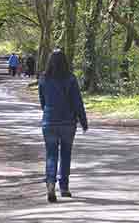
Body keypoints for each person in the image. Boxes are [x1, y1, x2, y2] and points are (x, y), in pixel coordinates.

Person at [39, 49, 88, 203]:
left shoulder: (43, 78)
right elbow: (77, 102)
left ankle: (51, 182)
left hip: (49, 121)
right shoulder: (71, 79)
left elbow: (43, 101)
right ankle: (64, 187)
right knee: (66, 154)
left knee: (51, 154)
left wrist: (49, 113)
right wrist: (83, 121)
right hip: (68, 122)